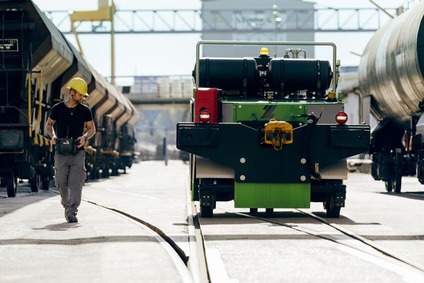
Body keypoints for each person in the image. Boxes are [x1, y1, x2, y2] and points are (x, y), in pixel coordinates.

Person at [45, 77, 96, 223]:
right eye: (80, 94)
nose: (82, 97)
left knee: (76, 183)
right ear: (72, 92)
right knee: (61, 182)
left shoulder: (85, 110)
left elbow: (92, 128)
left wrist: (85, 137)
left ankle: (72, 211)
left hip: (77, 151)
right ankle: (66, 204)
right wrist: (53, 136)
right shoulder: (58, 109)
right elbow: (49, 125)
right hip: (61, 151)